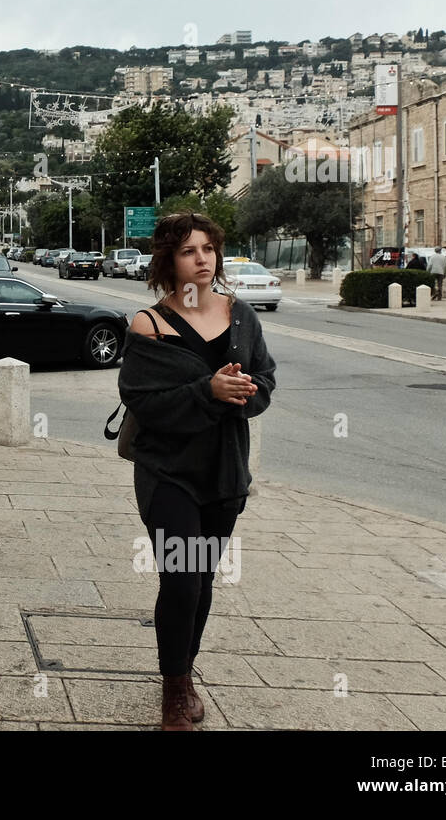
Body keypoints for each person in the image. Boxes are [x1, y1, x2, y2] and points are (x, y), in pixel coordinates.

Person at [118, 212, 276, 730]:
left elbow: (267, 381)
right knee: (181, 580)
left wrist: (245, 392)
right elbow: (143, 400)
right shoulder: (150, 323)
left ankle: (183, 676)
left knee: (202, 578)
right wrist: (207, 391)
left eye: (208, 248)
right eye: (189, 251)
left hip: (224, 473)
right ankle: (174, 693)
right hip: (168, 472)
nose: (202, 259)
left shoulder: (241, 316)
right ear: (169, 260)